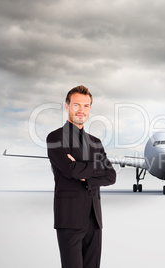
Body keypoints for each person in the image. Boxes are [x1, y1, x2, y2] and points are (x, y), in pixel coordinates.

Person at [46, 85, 116, 268]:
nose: (81, 110)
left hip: (95, 219)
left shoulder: (96, 142)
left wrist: (84, 172)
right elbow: (71, 171)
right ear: (67, 106)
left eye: (86, 106)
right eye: (77, 105)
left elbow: (111, 176)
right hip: (69, 218)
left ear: (90, 109)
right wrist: (95, 167)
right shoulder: (55, 138)